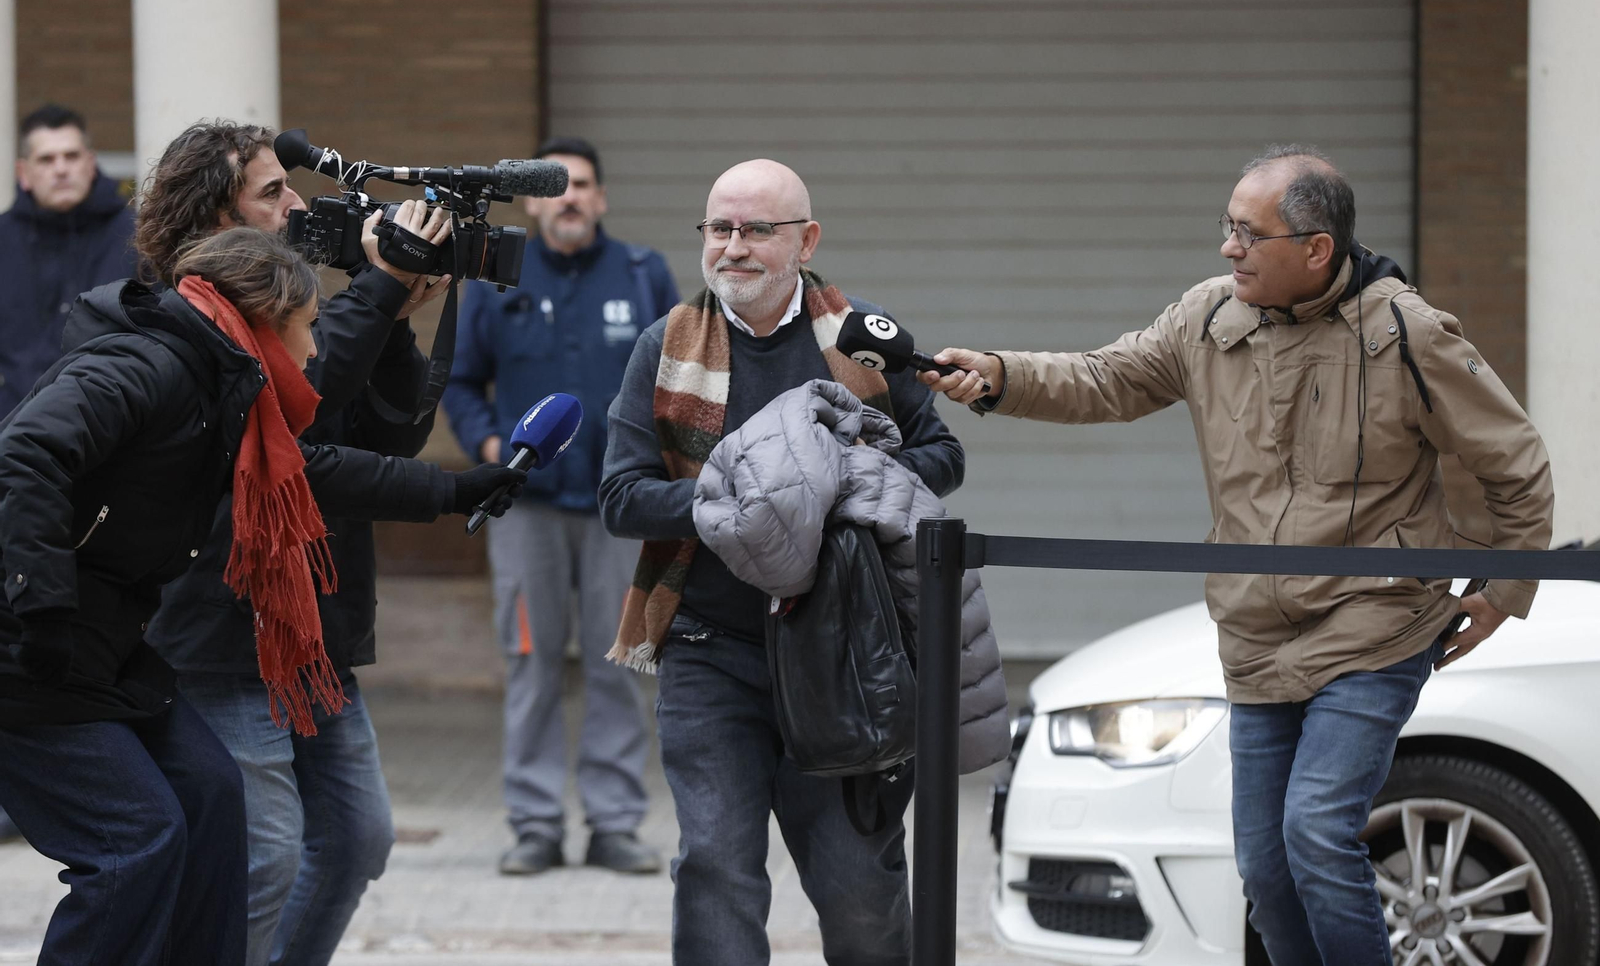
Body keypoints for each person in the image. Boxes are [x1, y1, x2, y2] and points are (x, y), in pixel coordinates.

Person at [921, 145, 1554, 965]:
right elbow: (1106, 378)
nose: (1228, 249)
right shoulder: (1206, 317)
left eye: (1248, 234)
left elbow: (1516, 462)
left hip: (1374, 628)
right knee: (1265, 866)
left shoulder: (1406, 333)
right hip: (1254, 634)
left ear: (1316, 248)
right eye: (1227, 229)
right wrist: (1002, 376)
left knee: (1317, 833)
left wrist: (1506, 591)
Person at [0, 229, 526, 966]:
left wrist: (452, 490)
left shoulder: (219, 381)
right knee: (137, 842)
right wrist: (42, 605)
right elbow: (25, 452)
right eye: (308, 328)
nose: (315, 351)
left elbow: (309, 472)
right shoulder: (144, 363)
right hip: (30, 652)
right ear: (261, 318)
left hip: (108, 646)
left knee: (215, 801)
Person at [599, 159, 966, 966]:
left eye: (756, 229)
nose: (733, 247)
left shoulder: (864, 338)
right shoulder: (665, 347)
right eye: (719, 228)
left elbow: (942, 458)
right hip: (708, 653)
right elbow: (621, 498)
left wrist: (838, 486)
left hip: (843, 656)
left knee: (860, 891)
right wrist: (742, 504)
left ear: (806, 241)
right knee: (716, 870)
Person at [135, 119, 454, 966]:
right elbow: (289, 404)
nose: (296, 206)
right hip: (225, 631)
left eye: (291, 185)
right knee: (264, 854)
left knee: (357, 840)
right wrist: (378, 291)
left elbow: (384, 445)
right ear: (214, 217)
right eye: (271, 192)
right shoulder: (183, 317)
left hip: (315, 628)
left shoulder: (301, 307)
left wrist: (394, 316)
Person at [444, 137, 678, 876]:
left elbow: (680, 384)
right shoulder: (495, 281)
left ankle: (614, 824)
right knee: (532, 665)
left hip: (620, 513)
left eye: (581, 185)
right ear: (533, 201)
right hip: (528, 514)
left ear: (601, 198)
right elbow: (458, 382)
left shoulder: (643, 277)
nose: (569, 197)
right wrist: (488, 453)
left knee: (619, 666)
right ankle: (536, 824)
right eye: (555, 186)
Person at [0, 103, 137, 420]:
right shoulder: (3, 241)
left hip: (114, 428)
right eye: (46, 159)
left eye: (72, 156)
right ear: (24, 173)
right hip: (15, 430)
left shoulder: (137, 237)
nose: (61, 169)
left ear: (91, 164)